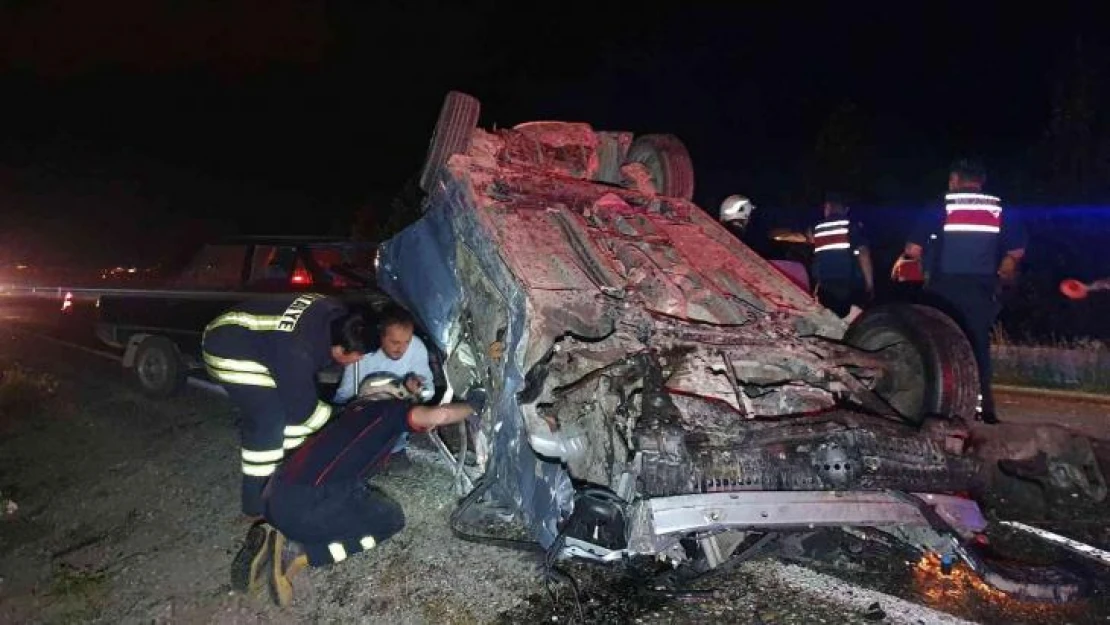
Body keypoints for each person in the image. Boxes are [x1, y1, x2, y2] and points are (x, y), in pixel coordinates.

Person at [232, 378, 487, 607]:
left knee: (351, 489)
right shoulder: (387, 412)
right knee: (390, 520)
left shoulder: (350, 414)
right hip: (306, 504)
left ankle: (275, 530)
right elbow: (439, 416)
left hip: (274, 495)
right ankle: (301, 552)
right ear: (390, 396)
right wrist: (473, 405)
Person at [201, 293, 371, 592]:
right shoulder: (298, 351)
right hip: (226, 346)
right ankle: (255, 508)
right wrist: (345, 420)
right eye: (354, 357)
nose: (357, 362)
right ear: (337, 349)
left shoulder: (338, 315)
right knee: (268, 421)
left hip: (259, 341)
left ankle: (284, 485)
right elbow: (304, 412)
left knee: (293, 424)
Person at [900, 158, 1027, 424]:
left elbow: (913, 250)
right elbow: (1015, 253)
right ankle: (982, 410)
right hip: (982, 289)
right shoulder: (999, 207)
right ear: (980, 182)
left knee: (938, 345)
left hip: (942, 291)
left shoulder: (942, 205)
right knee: (977, 345)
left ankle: (938, 408)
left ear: (955, 180)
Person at [332, 304, 434, 469]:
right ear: (381, 336)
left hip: (396, 420)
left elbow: (429, 389)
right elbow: (345, 392)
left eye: (406, 342)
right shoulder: (362, 351)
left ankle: (396, 451)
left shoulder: (416, 348)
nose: (401, 349)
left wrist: (419, 389)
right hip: (365, 416)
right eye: (394, 342)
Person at [807, 193, 874, 319]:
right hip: (849, 283)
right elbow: (863, 254)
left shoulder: (815, 228)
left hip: (825, 284)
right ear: (846, 209)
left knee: (829, 319)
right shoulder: (852, 226)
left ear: (827, 207)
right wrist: (869, 284)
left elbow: (814, 247)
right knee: (852, 320)